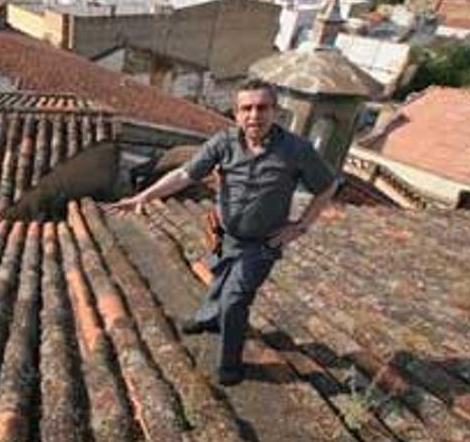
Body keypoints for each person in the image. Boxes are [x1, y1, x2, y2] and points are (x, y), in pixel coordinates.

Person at [106, 78, 339, 386]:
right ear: (236, 113)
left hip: (262, 243)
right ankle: (208, 319)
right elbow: (184, 174)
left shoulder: (297, 150)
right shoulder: (223, 142)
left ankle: (230, 364)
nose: (254, 115)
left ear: (275, 111)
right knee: (220, 278)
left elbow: (327, 186)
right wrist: (142, 197)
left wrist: (301, 226)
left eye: (262, 108)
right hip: (225, 235)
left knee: (235, 300)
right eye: (247, 108)